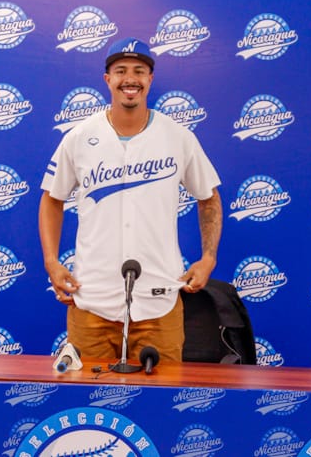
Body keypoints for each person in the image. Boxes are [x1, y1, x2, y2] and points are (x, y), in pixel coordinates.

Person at [39, 37, 222, 363]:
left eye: (139, 71)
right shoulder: (79, 137)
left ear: (150, 79)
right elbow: (52, 199)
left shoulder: (178, 137)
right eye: (121, 70)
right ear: (107, 79)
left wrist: (208, 257)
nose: (130, 79)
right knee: (88, 395)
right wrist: (51, 261)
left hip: (158, 301)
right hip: (92, 300)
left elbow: (208, 197)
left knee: (162, 395)